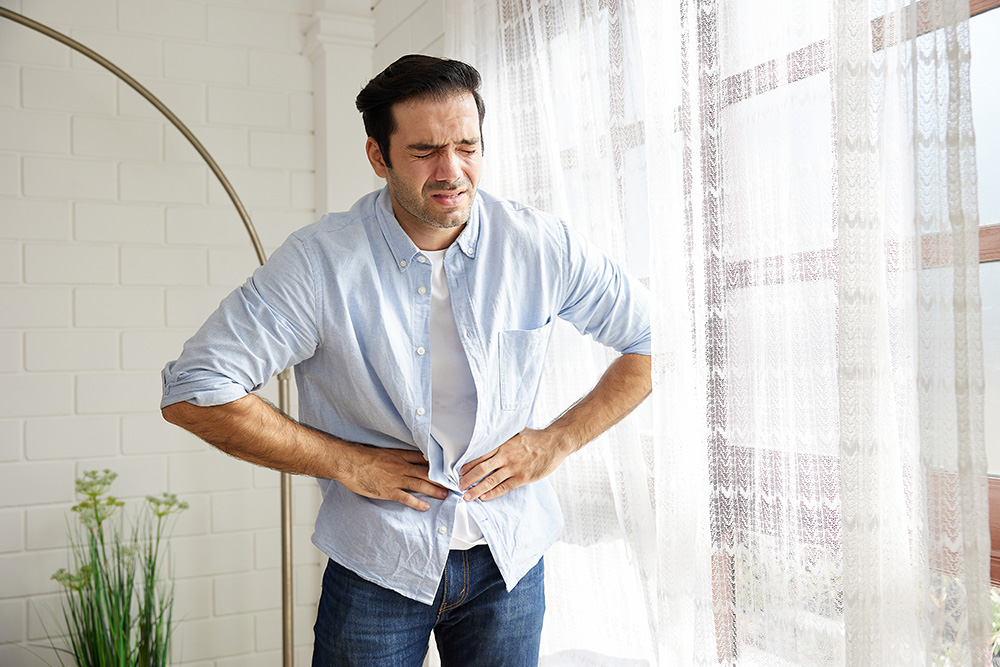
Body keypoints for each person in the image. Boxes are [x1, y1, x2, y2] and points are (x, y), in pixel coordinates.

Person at [160, 54, 651, 667]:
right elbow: (195, 389)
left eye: (466, 146)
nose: (452, 171)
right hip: (378, 566)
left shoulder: (540, 245)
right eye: (424, 151)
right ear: (378, 155)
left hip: (511, 562)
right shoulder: (320, 264)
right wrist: (345, 461)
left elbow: (644, 343)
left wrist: (554, 442)